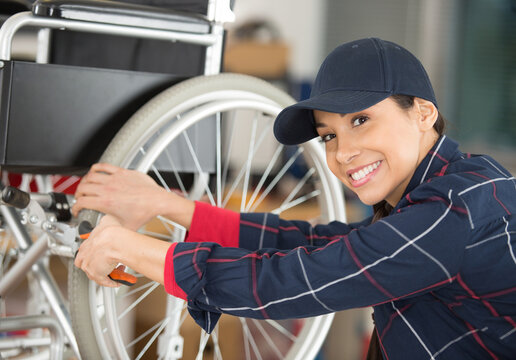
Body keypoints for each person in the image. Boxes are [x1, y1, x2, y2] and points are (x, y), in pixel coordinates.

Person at [72, 38, 516, 359]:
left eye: (361, 120)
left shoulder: (456, 207)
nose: (342, 154)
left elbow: (299, 280)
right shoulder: (441, 193)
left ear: (423, 113)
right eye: (329, 135)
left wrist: (133, 248)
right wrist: (167, 205)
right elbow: (314, 246)